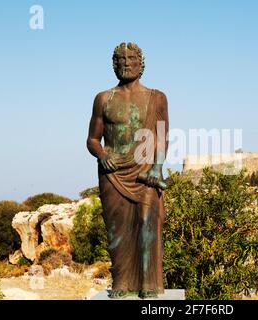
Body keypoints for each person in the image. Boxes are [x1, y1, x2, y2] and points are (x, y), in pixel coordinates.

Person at [86, 42, 169, 299]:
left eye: (131, 59)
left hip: (145, 173)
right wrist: (102, 155)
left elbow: (162, 136)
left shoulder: (157, 97)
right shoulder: (103, 99)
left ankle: (148, 285)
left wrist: (156, 168)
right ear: (114, 65)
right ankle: (121, 281)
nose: (126, 64)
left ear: (141, 64)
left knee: (147, 226)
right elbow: (92, 139)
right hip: (112, 174)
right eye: (120, 61)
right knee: (117, 233)